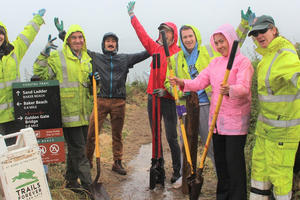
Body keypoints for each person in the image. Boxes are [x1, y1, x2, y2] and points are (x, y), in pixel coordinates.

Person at [164, 8, 254, 191]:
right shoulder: (175, 58)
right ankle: (186, 176)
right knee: (185, 142)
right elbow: (168, 81)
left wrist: (243, 25)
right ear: (180, 40)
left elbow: (233, 44)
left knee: (210, 143)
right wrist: (179, 90)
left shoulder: (208, 52)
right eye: (184, 37)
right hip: (183, 104)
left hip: (205, 105)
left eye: (190, 36)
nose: (188, 39)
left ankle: (213, 173)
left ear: (196, 37)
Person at [54, 18, 150, 175]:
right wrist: (63, 34)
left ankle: (117, 162)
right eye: (108, 41)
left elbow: (144, 54)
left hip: (119, 102)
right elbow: (79, 47)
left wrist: (158, 45)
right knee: (91, 134)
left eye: (113, 41)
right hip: (101, 101)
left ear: (116, 45)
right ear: (103, 44)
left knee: (117, 134)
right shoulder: (96, 57)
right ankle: (88, 162)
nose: (110, 43)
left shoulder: (124, 59)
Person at [33, 24, 93, 193]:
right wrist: (44, 53)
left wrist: (95, 81)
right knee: (80, 152)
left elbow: (90, 88)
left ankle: (71, 181)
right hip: (68, 113)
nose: (77, 41)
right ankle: (89, 187)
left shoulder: (87, 58)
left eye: (80, 37)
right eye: (74, 38)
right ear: (67, 41)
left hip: (84, 114)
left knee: (76, 150)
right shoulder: (58, 58)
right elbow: (40, 73)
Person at [127, 1, 182, 183]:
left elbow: (181, 79)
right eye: (161, 31)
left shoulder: (178, 52)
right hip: (152, 98)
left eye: (166, 31)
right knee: (155, 134)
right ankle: (158, 167)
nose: (163, 34)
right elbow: (141, 33)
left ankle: (177, 170)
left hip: (168, 99)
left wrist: (166, 91)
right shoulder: (154, 48)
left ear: (173, 34)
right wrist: (132, 16)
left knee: (171, 135)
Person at [248, 15, 300, 200]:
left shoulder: (284, 54)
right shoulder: (266, 57)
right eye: (255, 33)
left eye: (263, 31)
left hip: (283, 134)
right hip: (265, 132)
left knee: (280, 181)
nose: (259, 36)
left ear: (273, 29)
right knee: (259, 176)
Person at [0, 9, 46, 144]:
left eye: (1, 33)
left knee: (15, 152)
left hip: (15, 115)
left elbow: (27, 35)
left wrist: (37, 20)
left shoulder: (13, 51)